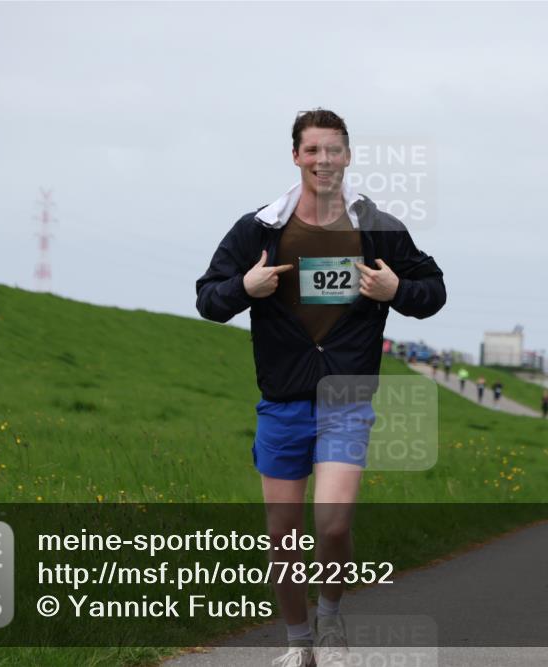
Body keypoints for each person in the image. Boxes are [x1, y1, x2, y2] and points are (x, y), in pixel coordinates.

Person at [195, 108, 446, 666]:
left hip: (345, 398)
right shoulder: (259, 229)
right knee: (283, 537)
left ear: (349, 157)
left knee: (332, 524)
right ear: (295, 156)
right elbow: (208, 298)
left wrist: (396, 288)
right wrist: (245, 285)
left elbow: (434, 290)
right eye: (312, 150)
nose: (323, 161)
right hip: (282, 400)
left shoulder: (378, 228)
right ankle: (298, 644)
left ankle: (330, 616)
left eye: (333, 150)